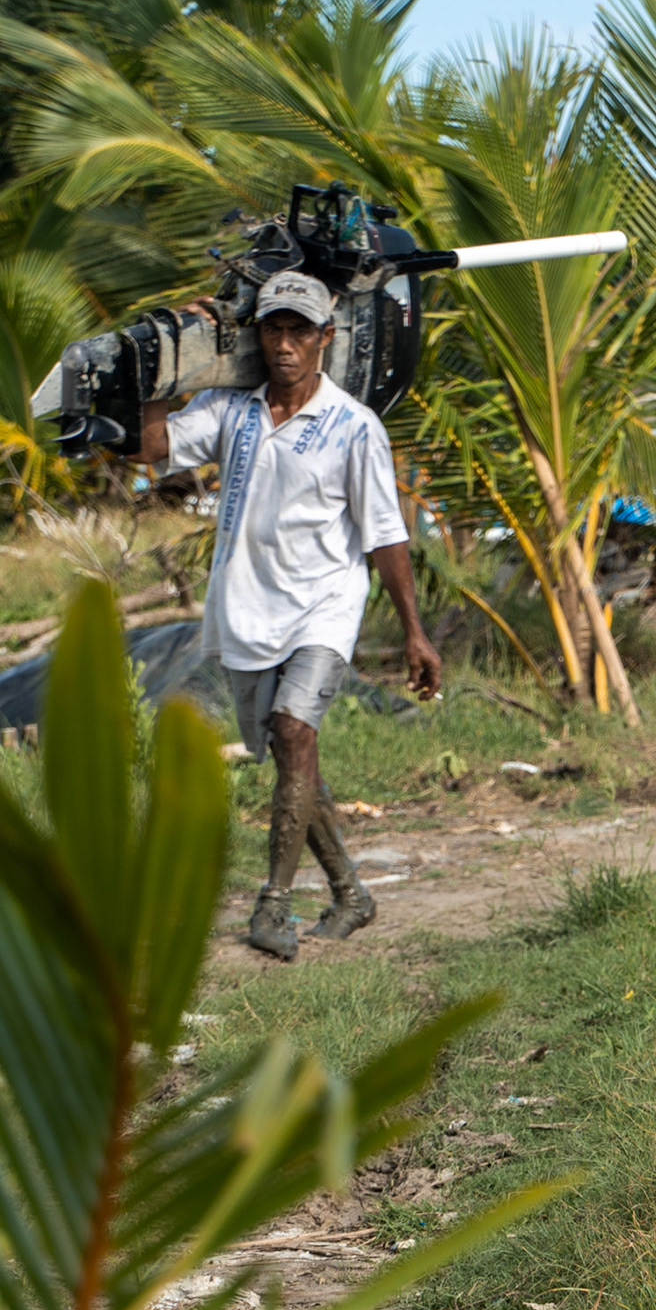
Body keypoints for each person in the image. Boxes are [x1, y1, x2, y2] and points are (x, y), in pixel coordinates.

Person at [139, 268, 442, 962]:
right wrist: (165, 364)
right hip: (246, 609)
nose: (285, 344)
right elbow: (154, 448)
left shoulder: (352, 427)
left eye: (300, 331)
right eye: (274, 328)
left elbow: (385, 535)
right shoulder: (231, 410)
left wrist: (415, 634)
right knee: (288, 755)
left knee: (293, 729)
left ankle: (272, 903)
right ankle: (352, 894)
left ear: (325, 339)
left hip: (323, 607)